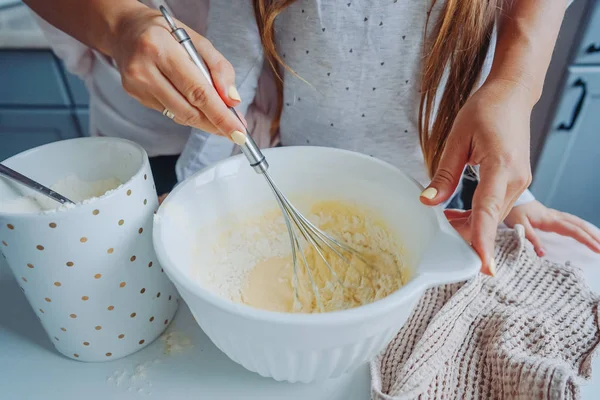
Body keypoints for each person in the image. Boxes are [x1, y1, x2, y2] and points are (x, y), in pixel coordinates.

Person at [25, 0, 600, 276]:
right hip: (299, 188)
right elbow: (231, 94)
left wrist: (510, 198)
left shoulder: (471, 14)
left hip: (432, 205)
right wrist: (193, 207)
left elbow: (478, 113)